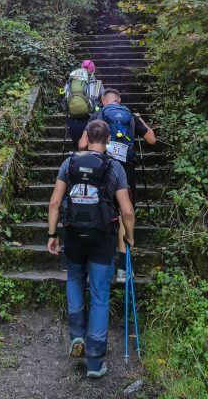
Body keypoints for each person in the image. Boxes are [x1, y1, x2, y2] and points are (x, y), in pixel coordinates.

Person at [47, 119, 135, 378]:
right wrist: (129, 237)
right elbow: (127, 210)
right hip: (102, 239)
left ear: (86, 136)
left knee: (74, 279)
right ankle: (95, 362)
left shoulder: (69, 163)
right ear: (108, 139)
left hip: (74, 235)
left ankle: (77, 335)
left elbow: (54, 202)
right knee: (99, 295)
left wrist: (52, 234)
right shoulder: (115, 167)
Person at [81, 88, 157, 281]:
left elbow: (81, 145)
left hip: (101, 170)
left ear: (103, 100)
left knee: (99, 210)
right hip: (126, 171)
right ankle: (124, 269)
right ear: (119, 100)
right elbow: (151, 139)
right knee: (125, 212)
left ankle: (95, 267)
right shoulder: (129, 115)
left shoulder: (98, 115)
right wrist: (140, 120)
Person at [60, 61, 104, 150]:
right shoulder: (97, 83)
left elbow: (64, 99)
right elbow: (104, 100)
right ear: (94, 70)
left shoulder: (70, 82)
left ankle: (78, 156)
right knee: (91, 146)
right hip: (91, 119)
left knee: (77, 145)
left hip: (73, 119)